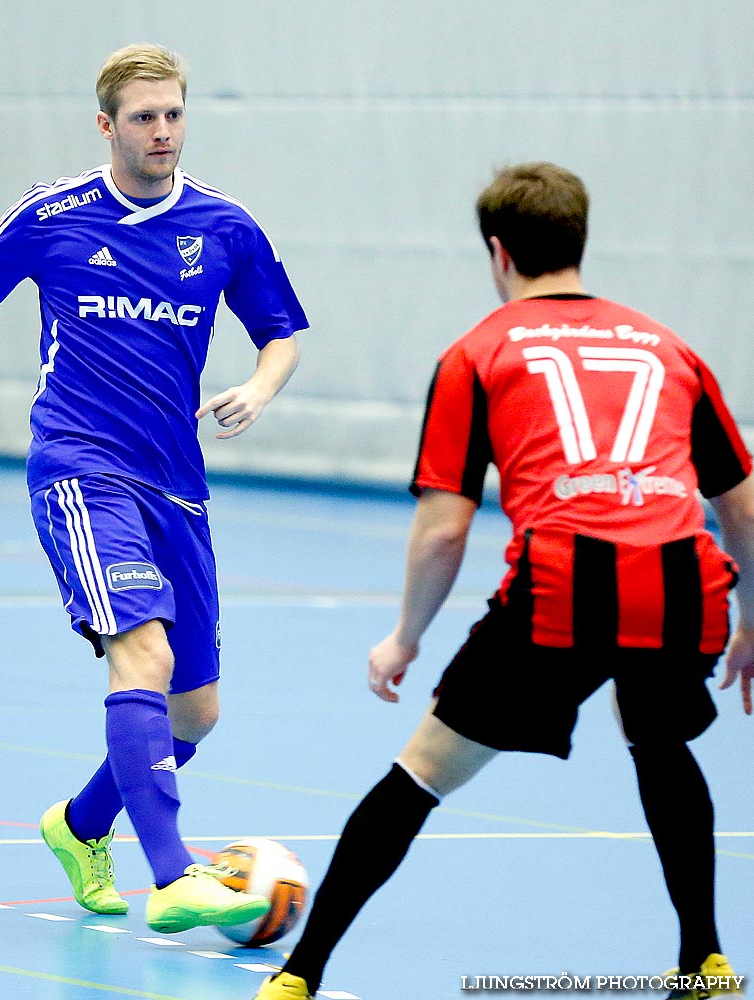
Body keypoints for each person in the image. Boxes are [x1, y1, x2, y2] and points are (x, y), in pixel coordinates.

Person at [0, 43, 308, 935]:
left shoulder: (225, 226)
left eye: (174, 114)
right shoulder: (55, 216)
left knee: (195, 711)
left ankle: (77, 828)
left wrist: (260, 388)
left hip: (175, 485)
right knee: (140, 654)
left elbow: (280, 333)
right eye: (144, 118)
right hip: (79, 465)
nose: (162, 132)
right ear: (107, 125)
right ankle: (174, 875)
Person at [253, 163, 752, 1000]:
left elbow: (445, 526)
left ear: (497, 253)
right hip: (682, 580)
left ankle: (299, 977)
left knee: (420, 771)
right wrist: (750, 622)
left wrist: (404, 636)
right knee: (656, 737)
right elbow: (737, 511)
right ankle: (703, 959)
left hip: (562, 586)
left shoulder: (477, 353)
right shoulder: (670, 347)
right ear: (578, 242)